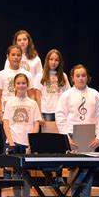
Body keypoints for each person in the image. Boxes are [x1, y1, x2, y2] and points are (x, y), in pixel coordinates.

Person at [55, 64, 99, 197]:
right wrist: (66, 137)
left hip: (89, 135)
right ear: (72, 78)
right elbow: (60, 116)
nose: (80, 78)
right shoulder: (67, 95)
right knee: (74, 168)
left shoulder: (95, 94)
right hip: (73, 135)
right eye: (77, 76)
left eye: (83, 75)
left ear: (87, 77)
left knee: (87, 168)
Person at [3, 73, 41, 197]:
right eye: (18, 83)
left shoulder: (33, 103)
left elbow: (36, 123)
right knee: (16, 173)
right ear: (14, 85)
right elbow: (6, 123)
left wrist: (33, 143)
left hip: (27, 143)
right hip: (14, 141)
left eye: (23, 83)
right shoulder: (10, 103)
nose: (21, 86)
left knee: (26, 173)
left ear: (27, 85)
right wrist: (11, 142)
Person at [33, 49, 70, 185]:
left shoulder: (63, 77)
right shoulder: (39, 76)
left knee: (59, 145)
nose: (53, 62)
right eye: (51, 59)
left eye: (56, 60)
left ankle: (58, 174)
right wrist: (39, 114)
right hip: (46, 114)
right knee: (47, 146)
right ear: (47, 60)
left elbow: (67, 96)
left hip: (59, 114)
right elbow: (37, 96)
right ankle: (48, 176)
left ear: (59, 62)